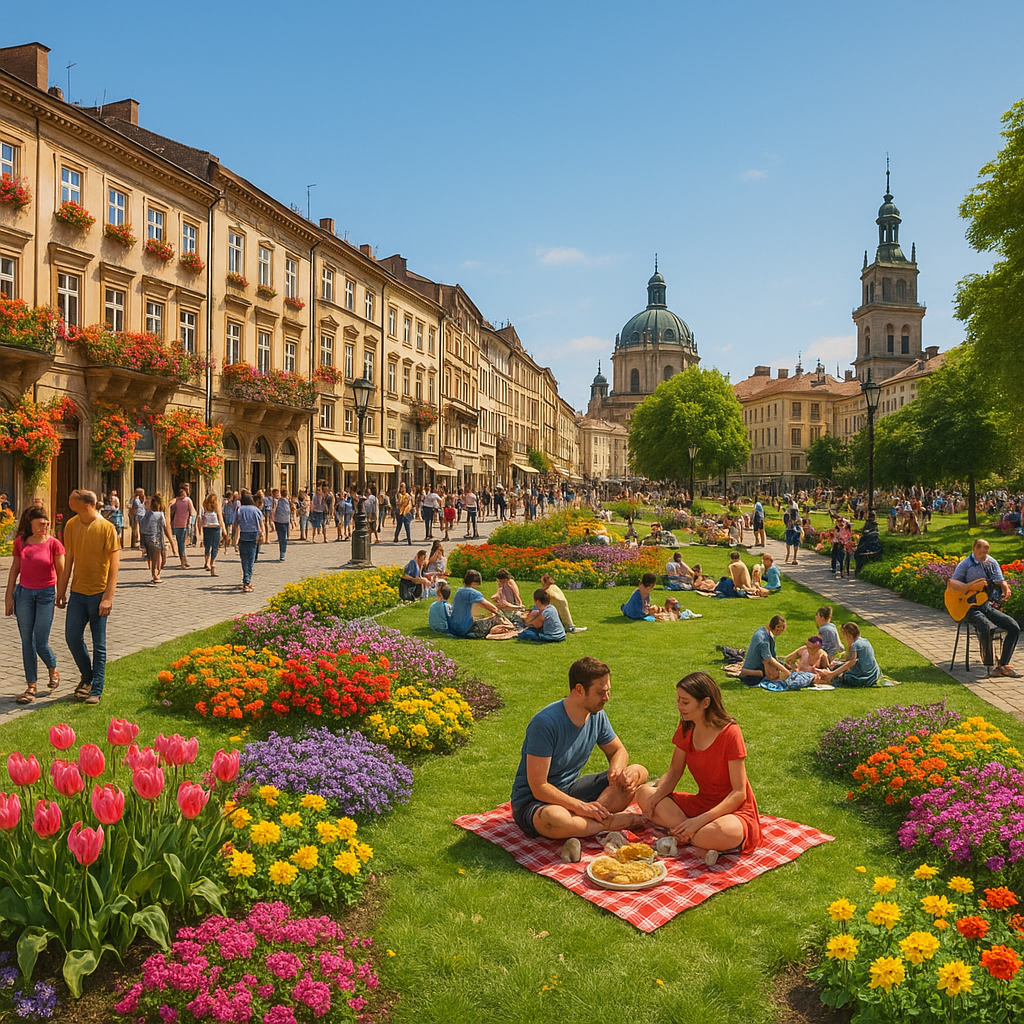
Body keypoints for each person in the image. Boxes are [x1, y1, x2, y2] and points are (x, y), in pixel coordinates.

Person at [510, 656, 648, 857]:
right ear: (579, 689)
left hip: (570, 790)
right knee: (555, 817)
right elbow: (539, 787)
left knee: (637, 772)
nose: (607, 698)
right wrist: (581, 807)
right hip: (534, 802)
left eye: (608, 691)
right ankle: (607, 822)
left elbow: (619, 751)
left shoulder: (596, 715)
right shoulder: (545, 724)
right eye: (600, 693)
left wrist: (617, 770)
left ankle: (588, 821)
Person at [637, 672, 761, 865]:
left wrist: (700, 820)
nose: (679, 707)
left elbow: (739, 793)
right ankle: (692, 833)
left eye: (685, 702)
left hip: (732, 809)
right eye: (678, 701)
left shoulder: (730, 733)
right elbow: (674, 773)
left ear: (705, 703)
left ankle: (692, 832)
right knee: (644, 793)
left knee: (725, 832)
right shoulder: (687, 728)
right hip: (702, 803)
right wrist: (654, 799)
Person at [56, 490, 119, 706]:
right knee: (72, 637)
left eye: (73, 498)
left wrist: (108, 597)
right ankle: (87, 675)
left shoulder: (106, 528)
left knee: (98, 643)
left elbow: (114, 567)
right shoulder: (71, 525)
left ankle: (96, 688)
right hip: (78, 593)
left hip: (99, 593)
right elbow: (69, 559)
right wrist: (61, 590)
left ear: (87, 504)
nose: (69, 500)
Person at [5, 507, 64, 703]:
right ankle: (31, 686)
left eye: (46, 523)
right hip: (24, 595)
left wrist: (61, 593)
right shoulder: (21, 543)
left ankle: (53, 668)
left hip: (46, 594)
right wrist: (9, 596)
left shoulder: (54, 544)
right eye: (40, 523)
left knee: (40, 640)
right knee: (26, 641)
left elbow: (62, 572)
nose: (45, 526)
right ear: (30, 524)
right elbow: (15, 570)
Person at [947, 538, 1020, 677]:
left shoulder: (991, 562)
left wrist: (1004, 585)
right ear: (974, 549)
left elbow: (999, 579)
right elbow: (952, 584)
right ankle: (989, 666)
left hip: (985, 605)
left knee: (1013, 626)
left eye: (985, 553)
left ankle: (1003, 664)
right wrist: (970, 586)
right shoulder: (965, 564)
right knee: (985, 626)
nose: (983, 556)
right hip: (968, 607)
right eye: (981, 553)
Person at [448, 569, 506, 638]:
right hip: (464, 628)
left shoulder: (459, 591)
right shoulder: (473, 593)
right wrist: (500, 614)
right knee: (494, 621)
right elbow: (489, 606)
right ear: (474, 582)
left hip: (453, 627)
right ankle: (474, 633)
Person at [821, 622, 881, 687]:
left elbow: (851, 662)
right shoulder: (865, 641)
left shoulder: (855, 645)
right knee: (838, 667)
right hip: (873, 676)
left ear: (849, 636)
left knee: (837, 678)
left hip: (864, 678)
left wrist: (832, 674)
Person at [738, 614, 788, 684]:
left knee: (779, 667)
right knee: (773, 673)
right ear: (777, 627)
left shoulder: (764, 631)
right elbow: (769, 659)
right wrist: (786, 671)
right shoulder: (763, 639)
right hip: (754, 670)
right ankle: (747, 672)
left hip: (758, 663)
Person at [139, 492, 174, 584]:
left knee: (154, 557)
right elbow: (165, 527)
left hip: (147, 538)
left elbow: (142, 527)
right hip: (156, 538)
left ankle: (156, 573)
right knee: (157, 558)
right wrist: (171, 541)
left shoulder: (146, 514)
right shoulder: (160, 515)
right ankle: (156, 575)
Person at [232, 492, 263, 593]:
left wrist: (234, 540)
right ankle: (247, 581)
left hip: (243, 535)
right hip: (253, 536)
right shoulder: (256, 510)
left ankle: (246, 580)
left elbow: (235, 525)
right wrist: (262, 535)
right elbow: (260, 524)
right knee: (251, 559)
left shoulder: (239, 510)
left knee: (244, 559)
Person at [201, 492, 228, 576]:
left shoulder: (204, 508)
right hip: (216, 528)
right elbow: (221, 520)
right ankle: (212, 563)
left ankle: (207, 563)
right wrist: (225, 532)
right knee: (215, 547)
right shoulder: (217, 509)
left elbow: (201, 519)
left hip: (206, 528)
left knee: (207, 546)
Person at [170, 488, 195, 569]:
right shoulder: (187, 500)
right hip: (181, 524)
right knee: (181, 544)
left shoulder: (180, 500)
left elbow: (172, 510)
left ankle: (183, 561)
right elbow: (191, 512)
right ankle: (183, 561)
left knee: (181, 543)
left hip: (179, 523)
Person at [272, 488, 292, 560]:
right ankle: (282, 553)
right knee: (284, 538)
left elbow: (274, 509)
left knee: (281, 537)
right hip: (285, 521)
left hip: (278, 520)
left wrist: (273, 517)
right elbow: (289, 512)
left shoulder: (278, 501)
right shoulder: (288, 502)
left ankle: (282, 553)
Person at [129, 487, 146, 552]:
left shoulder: (136, 499)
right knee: (138, 529)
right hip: (139, 515)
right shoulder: (136, 500)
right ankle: (137, 543)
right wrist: (144, 502)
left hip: (139, 514)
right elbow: (140, 506)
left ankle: (137, 543)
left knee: (138, 529)